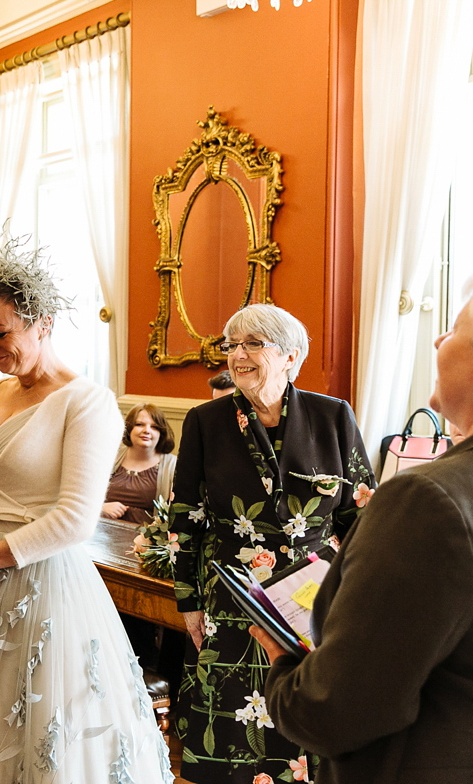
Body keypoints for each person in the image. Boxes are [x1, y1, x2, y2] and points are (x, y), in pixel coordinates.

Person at [0, 231, 173, 783]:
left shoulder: (88, 402)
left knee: (13, 731)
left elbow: (74, 519)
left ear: (43, 322)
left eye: (1, 332)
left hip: (29, 585)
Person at [250, 282, 473, 784]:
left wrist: (286, 666)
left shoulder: (427, 501)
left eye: (456, 329)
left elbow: (333, 709)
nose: (438, 341)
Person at [167, 303, 375, 784]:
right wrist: (189, 603)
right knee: (230, 728)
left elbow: (360, 515)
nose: (237, 355)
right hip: (232, 602)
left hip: (311, 601)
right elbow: (186, 520)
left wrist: (357, 597)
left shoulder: (333, 417)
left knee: (304, 720)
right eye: (231, 345)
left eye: (253, 344)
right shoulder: (205, 422)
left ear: (290, 355)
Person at [102, 402, 177, 525]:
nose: (146, 430)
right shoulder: (108, 457)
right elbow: (82, 497)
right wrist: (101, 507)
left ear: (161, 433)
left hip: (147, 542)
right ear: (128, 429)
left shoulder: (173, 466)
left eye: (154, 427)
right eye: (139, 425)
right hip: (101, 536)